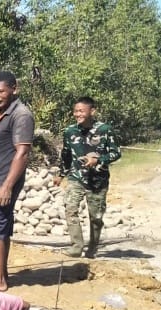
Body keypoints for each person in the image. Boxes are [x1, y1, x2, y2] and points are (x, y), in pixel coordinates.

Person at [0, 71, 34, 292]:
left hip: (3, 180)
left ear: (14, 89)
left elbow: (22, 153)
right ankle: (1, 274)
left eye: (0, 91)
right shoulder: (0, 113)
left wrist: (7, 185)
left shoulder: (21, 115)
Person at [54, 96, 121, 258]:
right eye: (76, 111)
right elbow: (66, 155)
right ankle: (76, 246)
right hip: (76, 178)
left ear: (92, 111)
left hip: (98, 181)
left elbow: (116, 152)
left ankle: (92, 248)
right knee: (70, 210)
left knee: (96, 217)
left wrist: (98, 160)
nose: (78, 114)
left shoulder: (104, 130)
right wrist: (61, 174)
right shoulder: (70, 131)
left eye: (81, 111)